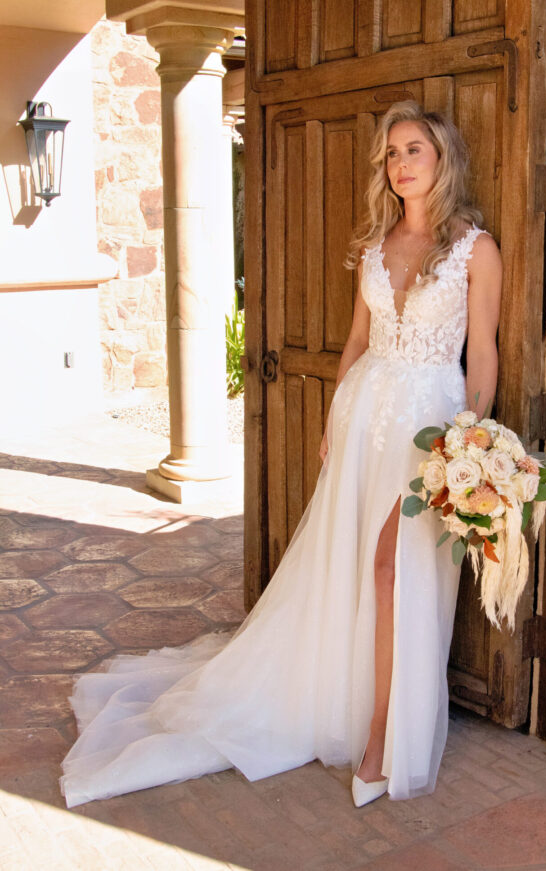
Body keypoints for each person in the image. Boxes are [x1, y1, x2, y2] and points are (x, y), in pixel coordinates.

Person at [60, 101, 502, 810]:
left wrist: (471, 443)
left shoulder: (476, 250)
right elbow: (356, 344)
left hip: (432, 428)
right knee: (352, 570)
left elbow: (482, 353)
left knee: (398, 571)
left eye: (413, 149)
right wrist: (334, 419)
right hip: (364, 418)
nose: (399, 164)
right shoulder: (375, 246)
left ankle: (388, 732)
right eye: (391, 154)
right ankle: (352, 705)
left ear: (442, 157)